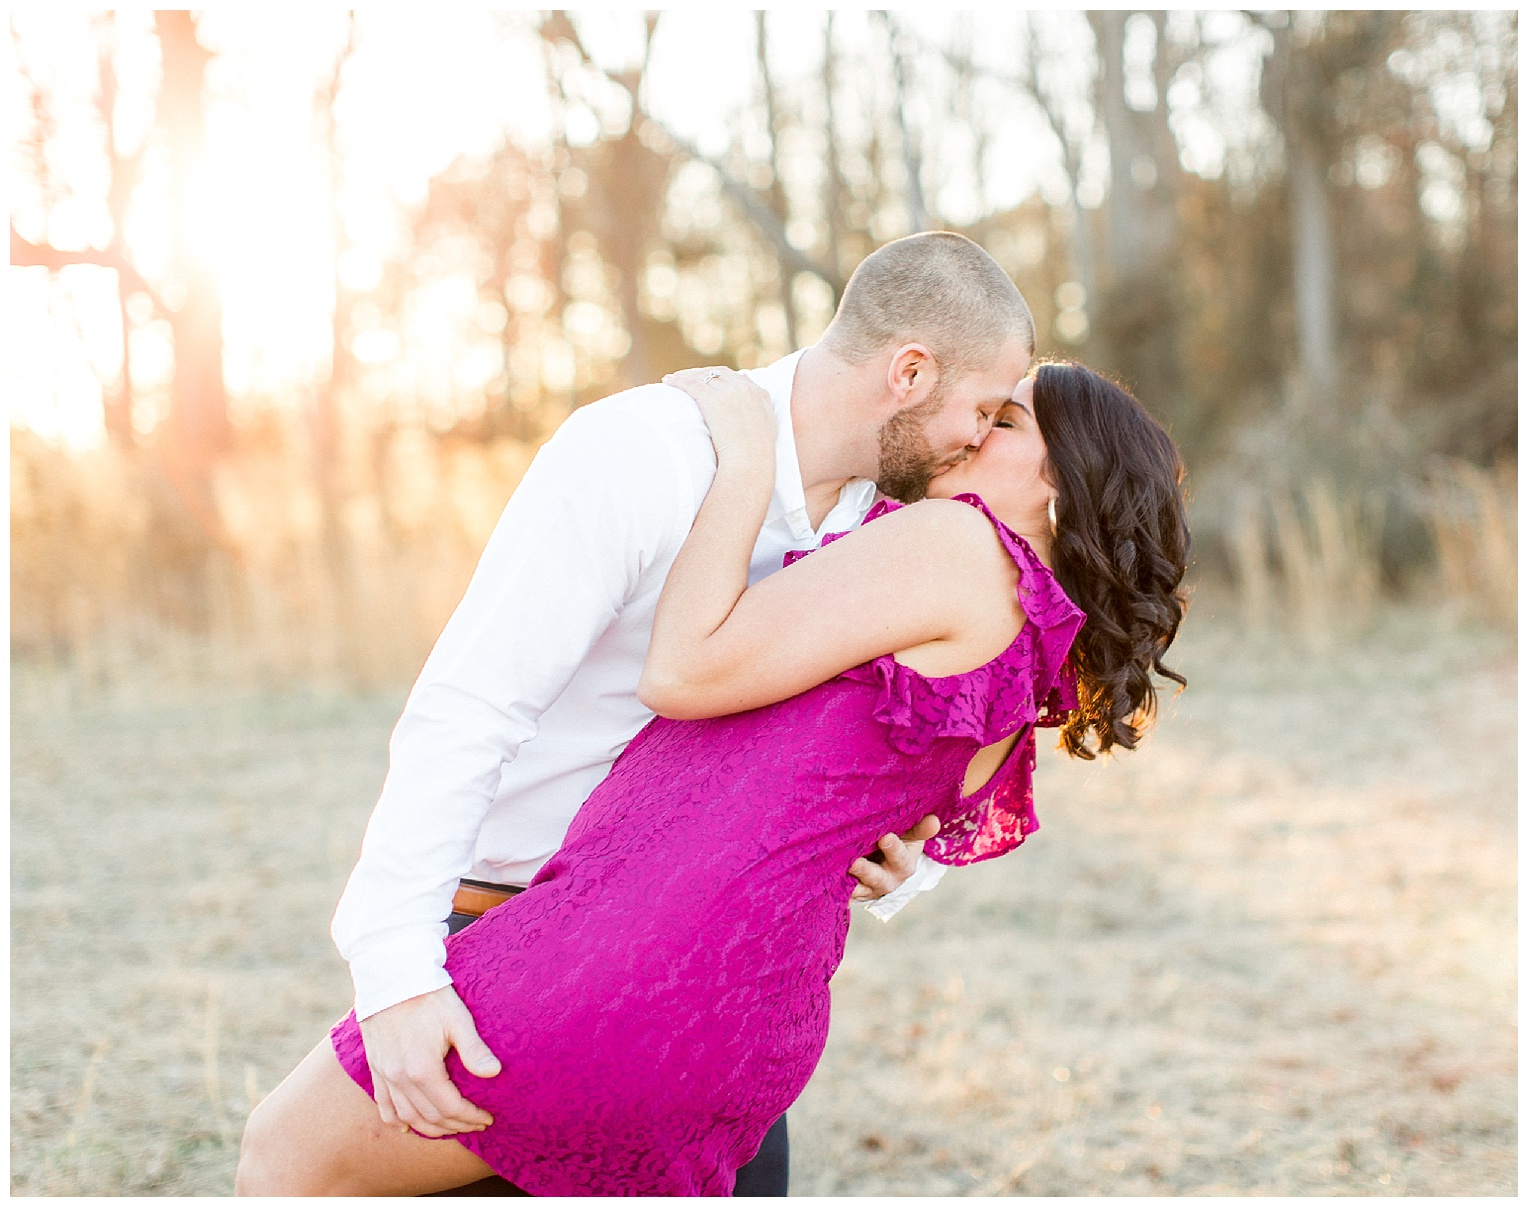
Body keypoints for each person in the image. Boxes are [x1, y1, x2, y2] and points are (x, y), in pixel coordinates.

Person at [236, 357, 1190, 1195]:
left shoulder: (956, 542)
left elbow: (685, 669)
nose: (977, 427)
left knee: (285, 1159)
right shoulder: (1035, 654)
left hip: (628, 969)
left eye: (1010, 420)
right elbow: (882, 803)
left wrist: (746, 463)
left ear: (1065, 488)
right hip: (754, 1030)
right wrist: (892, 852)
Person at [297, 231, 1037, 1196]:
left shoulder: (885, 535)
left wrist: (895, 866)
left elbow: (864, 752)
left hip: (698, 991)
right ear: (908, 372)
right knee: (293, 1160)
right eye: (981, 411)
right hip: (496, 939)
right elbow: (468, 707)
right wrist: (397, 972)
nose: (978, 443)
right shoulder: (647, 451)